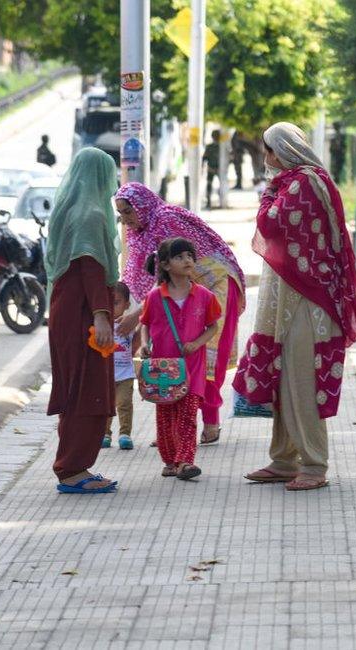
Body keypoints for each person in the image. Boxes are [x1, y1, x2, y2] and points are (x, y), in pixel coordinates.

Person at [235, 122, 356, 491]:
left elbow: (271, 223)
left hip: (310, 299)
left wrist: (266, 195)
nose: (266, 158)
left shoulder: (306, 182)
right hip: (290, 296)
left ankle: (314, 464)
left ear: (284, 150)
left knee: (302, 381)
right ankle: (283, 459)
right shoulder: (295, 181)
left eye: (269, 150)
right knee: (283, 378)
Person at [115, 182, 245, 446]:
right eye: (121, 214)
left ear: (141, 205)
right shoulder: (141, 231)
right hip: (183, 291)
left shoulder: (165, 220)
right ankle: (172, 428)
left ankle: (210, 422)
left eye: (128, 212)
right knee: (172, 359)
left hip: (215, 285)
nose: (126, 220)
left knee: (206, 356)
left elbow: (164, 276)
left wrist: (135, 317)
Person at [44, 147, 121, 494]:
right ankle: (72, 468)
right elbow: (92, 269)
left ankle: (74, 464)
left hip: (68, 309)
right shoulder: (91, 214)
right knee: (86, 388)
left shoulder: (68, 209)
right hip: (83, 314)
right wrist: (102, 316)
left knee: (76, 385)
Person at [139, 238, 222, 480]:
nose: (187, 260)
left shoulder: (204, 296)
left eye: (190, 256)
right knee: (165, 416)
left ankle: (185, 461)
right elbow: (144, 324)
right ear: (165, 265)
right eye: (179, 257)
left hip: (192, 367)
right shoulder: (155, 297)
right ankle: (169, 460)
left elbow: (213, 326)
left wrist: (197, 343)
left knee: (188, 414)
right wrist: (145, 345)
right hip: (162, 368)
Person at [102, 282, 139, 451]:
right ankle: (105, 433)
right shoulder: (101, 326)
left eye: (116, 303)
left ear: (127, 305)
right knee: (106, 406)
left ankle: (125, 434)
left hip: (125, 374)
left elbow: (136, 342)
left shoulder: (128, 324)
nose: (111, 307)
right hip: (105, 375)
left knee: (124, 403)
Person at [202, 129, 221, 209]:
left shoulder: (220, 147)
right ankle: (209, 202)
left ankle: (218, 201)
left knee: (221, 185)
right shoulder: (211, 147)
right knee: (210, 185)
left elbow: (204, 158)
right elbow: (204, 158)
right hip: (212, 168)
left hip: (217, 169)